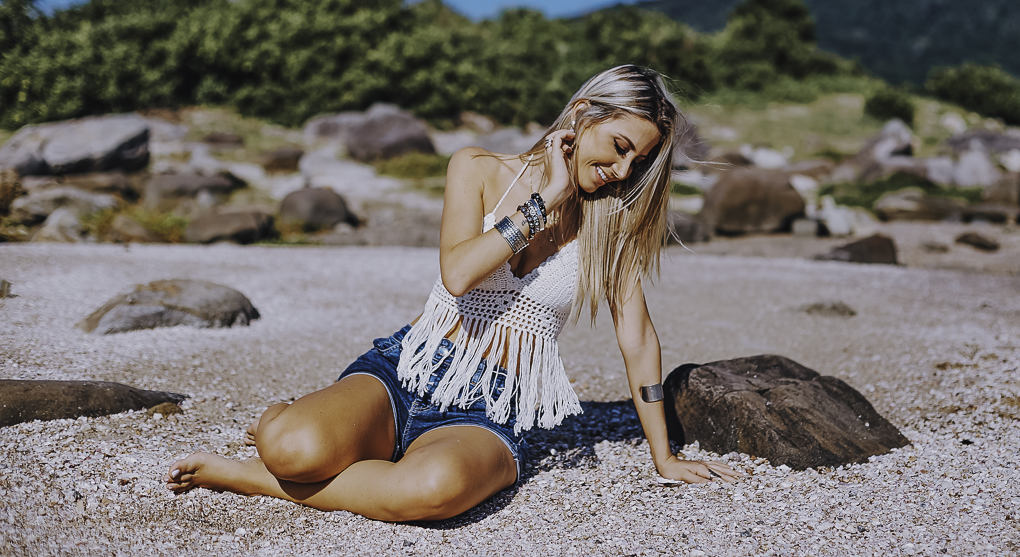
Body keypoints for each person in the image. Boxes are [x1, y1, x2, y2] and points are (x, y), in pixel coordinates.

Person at [165, 64, 740, 521]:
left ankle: (248, 477)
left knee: (432, 493)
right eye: (618, 146)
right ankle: (283, 424)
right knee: (293, 447)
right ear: (583, 114)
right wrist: (547, 202)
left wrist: (663, 455)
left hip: (493, 409)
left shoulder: (609, 227)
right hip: (410, 369)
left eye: (636, 162)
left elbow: (637, 338)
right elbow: (459, 274)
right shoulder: (477, 168)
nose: (621, 169)